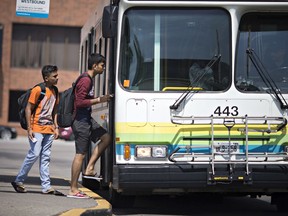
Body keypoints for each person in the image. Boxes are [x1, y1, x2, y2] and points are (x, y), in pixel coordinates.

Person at [67, 53, 112, 199]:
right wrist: (99, 99)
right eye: (102, 65)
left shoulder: (88, 79)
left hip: (87, 118)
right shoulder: (86, 80)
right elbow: (79, 103)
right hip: (80, 121)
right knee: (80, 154)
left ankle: (89, 168)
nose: (103, 68)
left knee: (106, 137)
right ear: (94, 66)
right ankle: (73, 189)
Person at [11, 65, 60, 194]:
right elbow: (28, 108)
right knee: (34, 154)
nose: (57, 78)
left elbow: (55, 111)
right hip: (36, 128)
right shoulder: (38, 90)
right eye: (54, 76)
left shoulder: (55, 90)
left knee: (45, 157)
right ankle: (19, 180)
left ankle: (46, 187)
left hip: (49, 129)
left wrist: (56, 127)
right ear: (46, 78)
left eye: (57, 75)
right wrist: (29, 128)